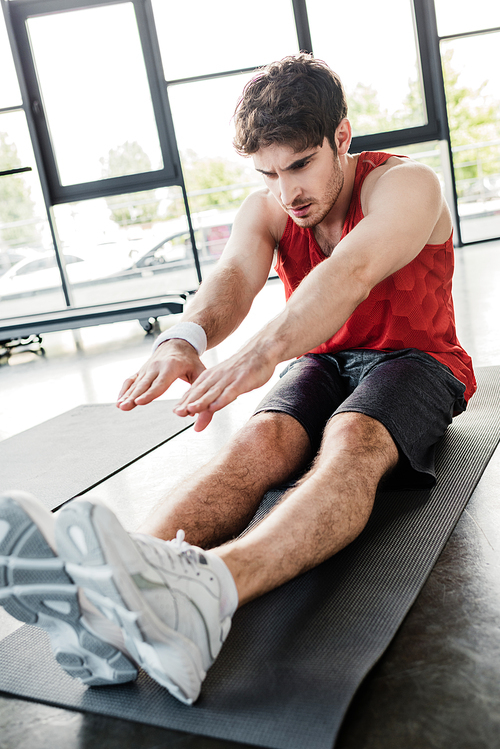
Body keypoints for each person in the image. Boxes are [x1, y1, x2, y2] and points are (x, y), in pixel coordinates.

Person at [0, 54, 475, 705]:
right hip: (321, 359)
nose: (287, 191)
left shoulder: (404, 185)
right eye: (269, 174)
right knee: (259, 444)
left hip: (415, 361)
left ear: (342, 136)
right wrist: (184, 338)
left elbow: (354, 270)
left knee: (352, 440)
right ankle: (102, 597)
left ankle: (208, 591)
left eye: (300, 164)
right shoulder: (272, 206)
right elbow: (232, 278)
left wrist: (261, 352)